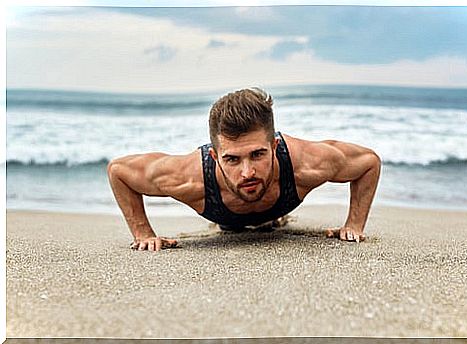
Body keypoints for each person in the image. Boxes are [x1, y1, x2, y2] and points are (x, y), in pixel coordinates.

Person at [107, 88, 381, 251]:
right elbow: (119, 171)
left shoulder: (306, 163)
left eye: (258, 154)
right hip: (223, 215)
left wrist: (353, 225)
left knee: (271, 219)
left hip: (278, 206)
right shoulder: (188, 178)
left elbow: (368, 162)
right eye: (233, 159)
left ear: (274, 146)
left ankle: (275, 219)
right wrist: (143, 233)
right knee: (229, 225)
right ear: (214, 156)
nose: (247, 171)